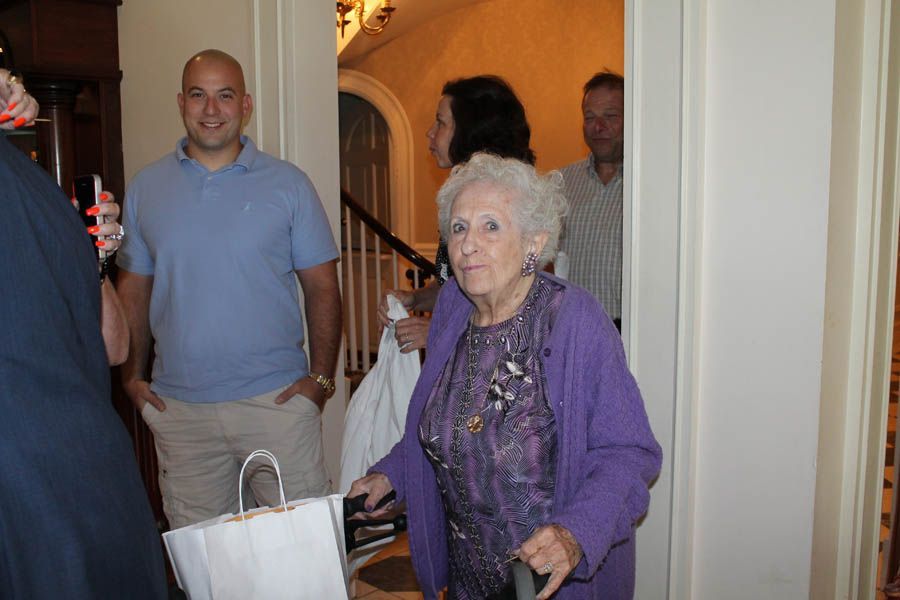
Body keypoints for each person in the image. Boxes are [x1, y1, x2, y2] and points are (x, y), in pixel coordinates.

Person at [351, 153, 661, 600]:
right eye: (458, 228)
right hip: (468, 585)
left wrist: (574, 534)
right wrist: (390, 477)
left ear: (533, 244)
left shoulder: (573, 320)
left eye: (490, 226)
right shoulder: (452, 313)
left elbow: (629, 452)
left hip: (551, 586)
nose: (468, 244)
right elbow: (444, 428)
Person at [116, 49, 342, 529]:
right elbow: (133, 289)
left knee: (308, 556)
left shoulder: (289, 185)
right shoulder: (145, 189)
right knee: (207, 571)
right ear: (181, 102)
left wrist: (320, 382)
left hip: (276, 405)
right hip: (181, 415)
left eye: (225, 95)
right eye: (199, 95)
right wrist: (131, 378)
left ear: (246, 105)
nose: (211, 109)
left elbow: (323, 288)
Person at [0, 71, 167, 597]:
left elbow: (114, 346)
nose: (10, 82)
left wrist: (91, 258)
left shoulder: (31, 188)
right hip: (27, 487)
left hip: (91, 469)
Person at [376, 75, 535, 353]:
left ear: (470, 131)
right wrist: (414, 299)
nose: (430, 132)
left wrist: (438, 331)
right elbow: (459, 287)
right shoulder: (462, 200)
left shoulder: (510, 204)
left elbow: (520, 305)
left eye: (441, 122)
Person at [558, 71, 624, 329]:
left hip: (630, 332)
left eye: (611, 116)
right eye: (590, 117)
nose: (599, 127)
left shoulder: (652, 187)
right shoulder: (560, 183)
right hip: (571, 329)